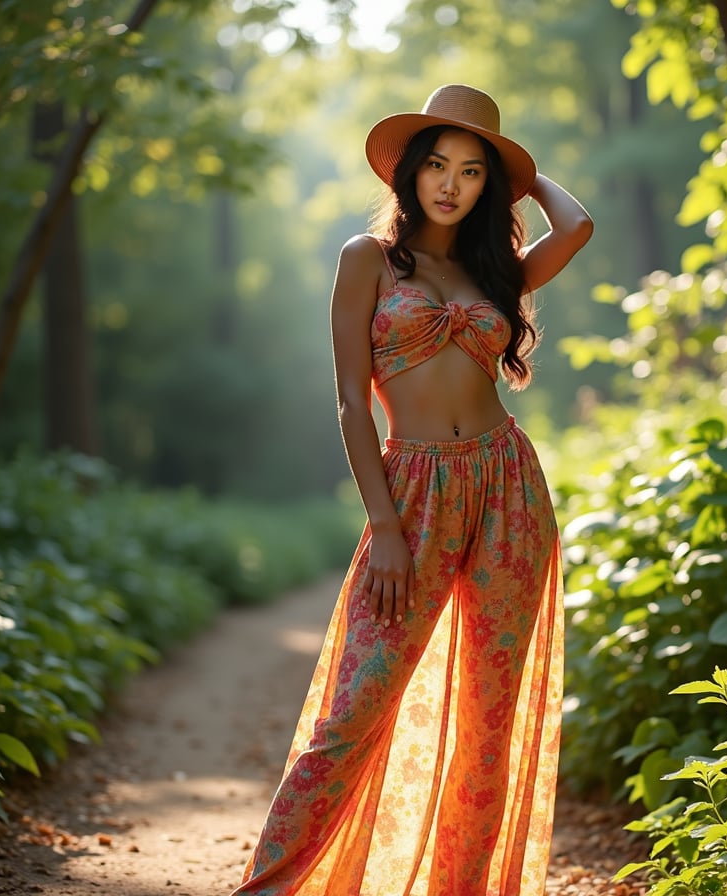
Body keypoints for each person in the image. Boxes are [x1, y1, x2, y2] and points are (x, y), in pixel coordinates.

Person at [232, 83, 593, 896]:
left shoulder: (490, 270)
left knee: (488, 721)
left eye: (472, 171)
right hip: (414, 492)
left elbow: (578, 228)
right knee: (354, 711)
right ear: (409, 172)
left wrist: (522, 175)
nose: (451, 184)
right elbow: (351, 403)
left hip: (508, 488)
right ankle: (267, 886)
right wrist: (384, 525)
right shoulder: (369, 260)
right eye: (436, 164)